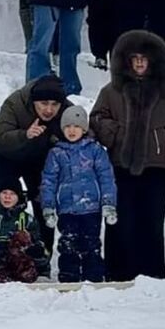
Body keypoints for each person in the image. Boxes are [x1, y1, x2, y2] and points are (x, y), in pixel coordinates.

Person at [90, 30, 165, 281]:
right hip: (119, 165)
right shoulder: (111, 91)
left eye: (144, 58)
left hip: (156, 166)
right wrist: (116, 134)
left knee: (151, 222)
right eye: (134, 58)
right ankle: (117, 274)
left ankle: (152, 274)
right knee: (120, 221)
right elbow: (98, 118)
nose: (139, 63)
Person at [0, 73, 68, 253]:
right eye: (44, 104)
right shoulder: (15, 103)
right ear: (34, 101)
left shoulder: (66, 109)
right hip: (8, 155)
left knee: (44, 204)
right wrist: (25, 135)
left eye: (54, 104)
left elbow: (81, 131)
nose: (49, 110)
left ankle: (43, 254)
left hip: (41, 158)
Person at [40, 105, 116, 283]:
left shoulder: (95, 151)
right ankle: (69, 277)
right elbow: (49, 181)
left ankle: (94, 276)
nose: (71, 130)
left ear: (84, 128)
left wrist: (108, 203)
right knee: (68, 244)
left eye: (76, 126)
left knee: (92, 244)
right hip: (67, 209)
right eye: (67, 126)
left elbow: (106, 178)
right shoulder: (56, 153)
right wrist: (48, 206)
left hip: (91, 208)